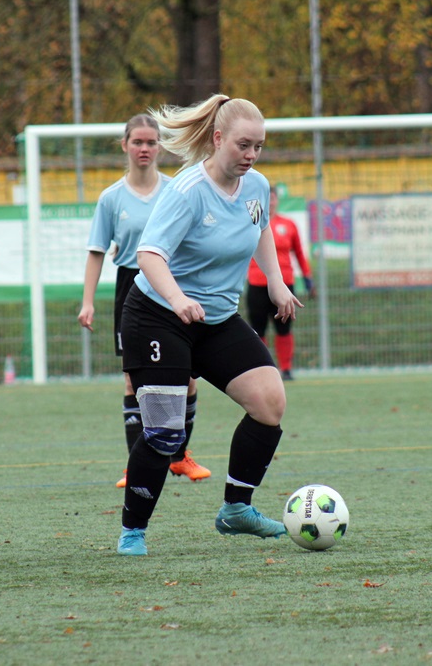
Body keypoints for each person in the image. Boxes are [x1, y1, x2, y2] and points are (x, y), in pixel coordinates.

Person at [115, 94, 302, 556]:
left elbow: (259, 228)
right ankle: (133, 531)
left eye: (258, 146)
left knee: (269, 403)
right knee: (165, 432)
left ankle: (236, 509)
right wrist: (178, 300)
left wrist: (276, 283)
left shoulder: (256, 186)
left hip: (215, 320)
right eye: (243, 145)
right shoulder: (188, 191)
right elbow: (149, 255)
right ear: (218, 139)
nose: (251, 155)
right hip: (158, 317)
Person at [78, 114, 210, 488]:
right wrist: (87, 301)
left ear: (160, 147)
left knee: (188, 375)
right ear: (125, 145)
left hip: (172, 284)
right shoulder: (111, 198)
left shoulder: (176, 190)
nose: (145, 148)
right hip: (131, 289)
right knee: (132, 380)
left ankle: (179, 457)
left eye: (151, 142)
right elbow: (96, 251)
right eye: (137, 141)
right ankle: (133, 467)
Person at [246, 185, 315, 381]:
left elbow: (299, 252)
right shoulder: (252, 222)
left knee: (284, 328)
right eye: (267, 198)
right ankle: (262, 369)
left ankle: (286, 369)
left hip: (284, 285)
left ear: (277, 200)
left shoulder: (288, 224)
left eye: (273, 198)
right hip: (257, 283)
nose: (271, 202)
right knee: (258, 330)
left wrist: (308, 277)